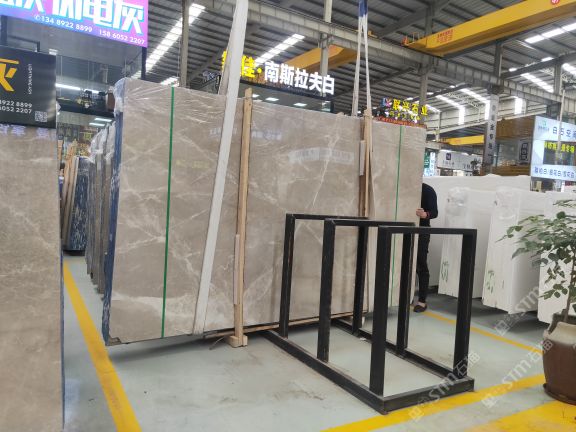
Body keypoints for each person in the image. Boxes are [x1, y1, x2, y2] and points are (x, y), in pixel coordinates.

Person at [414, 183, 438, 313]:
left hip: (422, 231)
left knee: (420, 264)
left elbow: (435, 212)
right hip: (405, 229)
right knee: (404, 264)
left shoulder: (427, 190)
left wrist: (425, 215)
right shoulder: (404, 188)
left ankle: (422, 301)